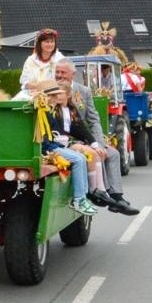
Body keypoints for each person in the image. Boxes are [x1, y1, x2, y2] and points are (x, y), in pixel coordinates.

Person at [55, 60, 140, 215]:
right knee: (95, 155)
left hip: (84, 137)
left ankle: (117, 197)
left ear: (73, 74)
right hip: (67, 139)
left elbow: (92, 120)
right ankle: (102, 194)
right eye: (57, 72)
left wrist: (99, 143)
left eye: (63, 73)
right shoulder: (52, 90)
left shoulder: (84, 91)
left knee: (113, 153)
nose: (59, 76)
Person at [39, 83, 98, 217]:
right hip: (48, 148)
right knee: (78, 159)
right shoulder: (43, 111)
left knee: (81, 158)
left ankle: (82, 198)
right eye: (52, 96)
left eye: (56, 95)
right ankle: (78, 200)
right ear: (45, 97)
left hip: (53, 145)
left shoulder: (49, 110)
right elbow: (45, 140)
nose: (55, 98)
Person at [17, 27, 66, 97]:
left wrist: (45, 88)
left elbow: (64, 81)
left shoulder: (60, 59)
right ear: (40, 43)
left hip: (54, 95)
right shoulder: (31, 60)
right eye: (47, 42)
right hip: (31, 94)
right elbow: (24, 82)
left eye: (52, 42)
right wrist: (35, 86)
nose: (50, 44)